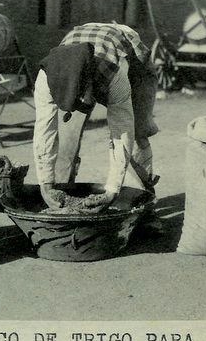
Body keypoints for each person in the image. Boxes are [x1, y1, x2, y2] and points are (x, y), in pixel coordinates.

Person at [33, 22, 159, 210]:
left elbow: (122, 133)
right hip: (83, 48)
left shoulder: (115, 77)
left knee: (137, 134)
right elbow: (45, 131)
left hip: (132, 57)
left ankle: (144, 204)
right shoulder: (45, 80)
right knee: (67, 139)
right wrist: (46, 186)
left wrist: (111, 191)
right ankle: (62, 198)